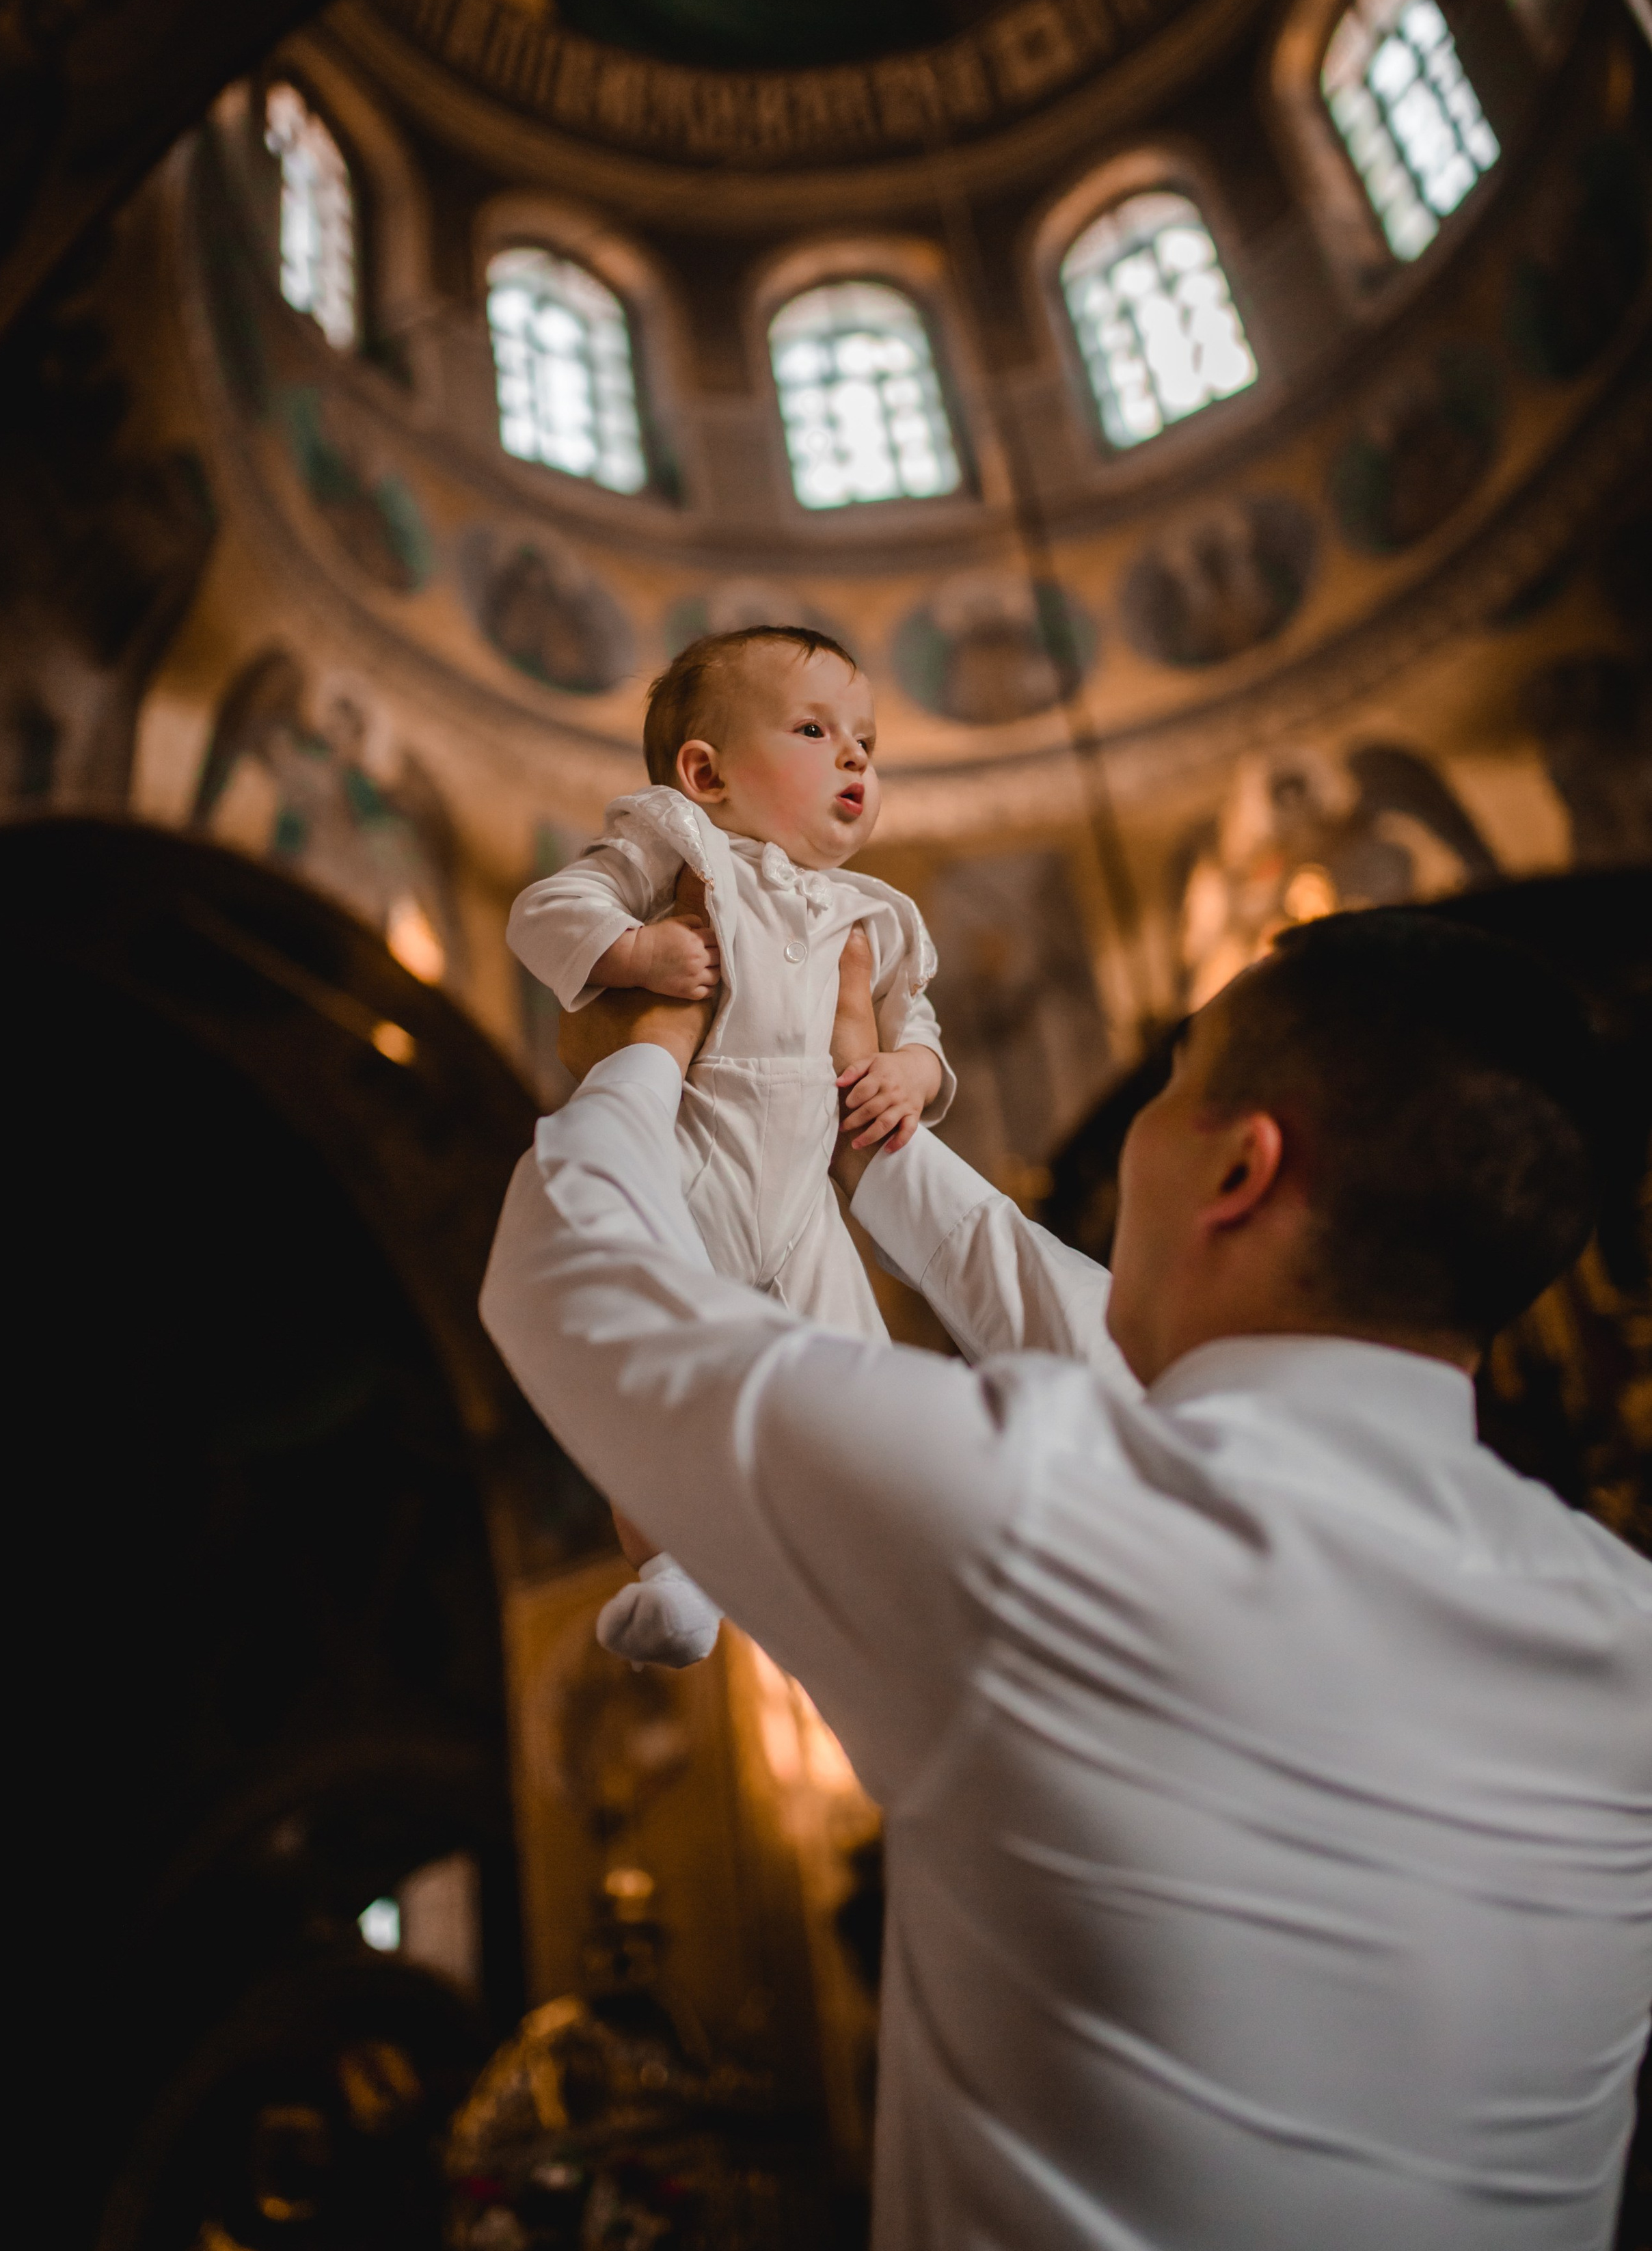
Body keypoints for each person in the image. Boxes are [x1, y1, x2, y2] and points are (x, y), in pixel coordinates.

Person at [480, 907, 1652, 2250]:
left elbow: (569, 1282)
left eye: (1167, 1088)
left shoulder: (1045, 1522)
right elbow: (1166, 1417)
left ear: (1238, 1171)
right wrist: (881, 1147)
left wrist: (648, 1050)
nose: (1137, 1134)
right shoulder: (1617, 1629)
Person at [506, 625, 951, 1667]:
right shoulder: (679, 844)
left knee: (859, 1377)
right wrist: (638, 949)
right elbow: (547, 910)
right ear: (705, 774)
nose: (855, 757)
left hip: (801, 1202)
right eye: (814, 729)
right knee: (661, 1366)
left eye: (867, 742)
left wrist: (913, 1074)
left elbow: (914, 1018)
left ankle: (878, 1557)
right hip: (695, 1156)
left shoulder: (875, 911)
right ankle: (672, 1574)